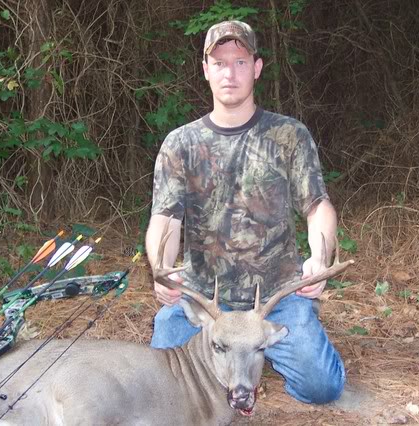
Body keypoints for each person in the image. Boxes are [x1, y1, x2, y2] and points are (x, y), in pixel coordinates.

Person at [146, 20, 344, 404]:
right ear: (206, 70)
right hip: (205, 304)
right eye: (220, 63)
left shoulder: (288, 135)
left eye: (239, 62)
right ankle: (246, 353)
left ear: (256, 67)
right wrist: (162, 268)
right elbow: (165, 219)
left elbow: (318, 206)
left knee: (322, 388)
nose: (230, 73)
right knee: (163, 386)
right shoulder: (181, 143)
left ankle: (254, 350)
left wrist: (319, 258)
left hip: (275, 300)